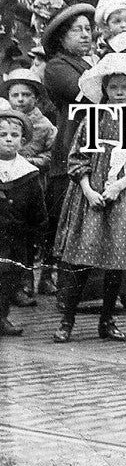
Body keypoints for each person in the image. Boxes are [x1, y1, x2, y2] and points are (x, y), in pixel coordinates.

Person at [51, 53, 126, 345]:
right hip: (92, 195)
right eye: (114, 87)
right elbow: (77, 158)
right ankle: (67, 320)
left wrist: (120, 185)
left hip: (124, 195)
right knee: (81, 260)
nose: (119, 93)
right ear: (105, 90)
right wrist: (88, 189)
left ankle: (107, 319)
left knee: (116, 261)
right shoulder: (93, 120)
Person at [42, 4, 97, 304]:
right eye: (78, 30)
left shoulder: (90, 63)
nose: (86, 34)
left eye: (88, 29)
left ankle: (89, 292)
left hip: (96, 146)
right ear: (62, 37)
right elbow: (87, 93)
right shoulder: (57, 67)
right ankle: (66, 292)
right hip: (71, 148)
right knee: (69, 223)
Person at [0, 109, 47, 337]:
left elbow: (37, 209)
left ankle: (1, 316)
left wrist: (37, 235)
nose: (9, 139)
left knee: (9, 277)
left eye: (14, 135)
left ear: (23, 139)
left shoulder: (27, 173)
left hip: (15, 237)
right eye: (2, 135)